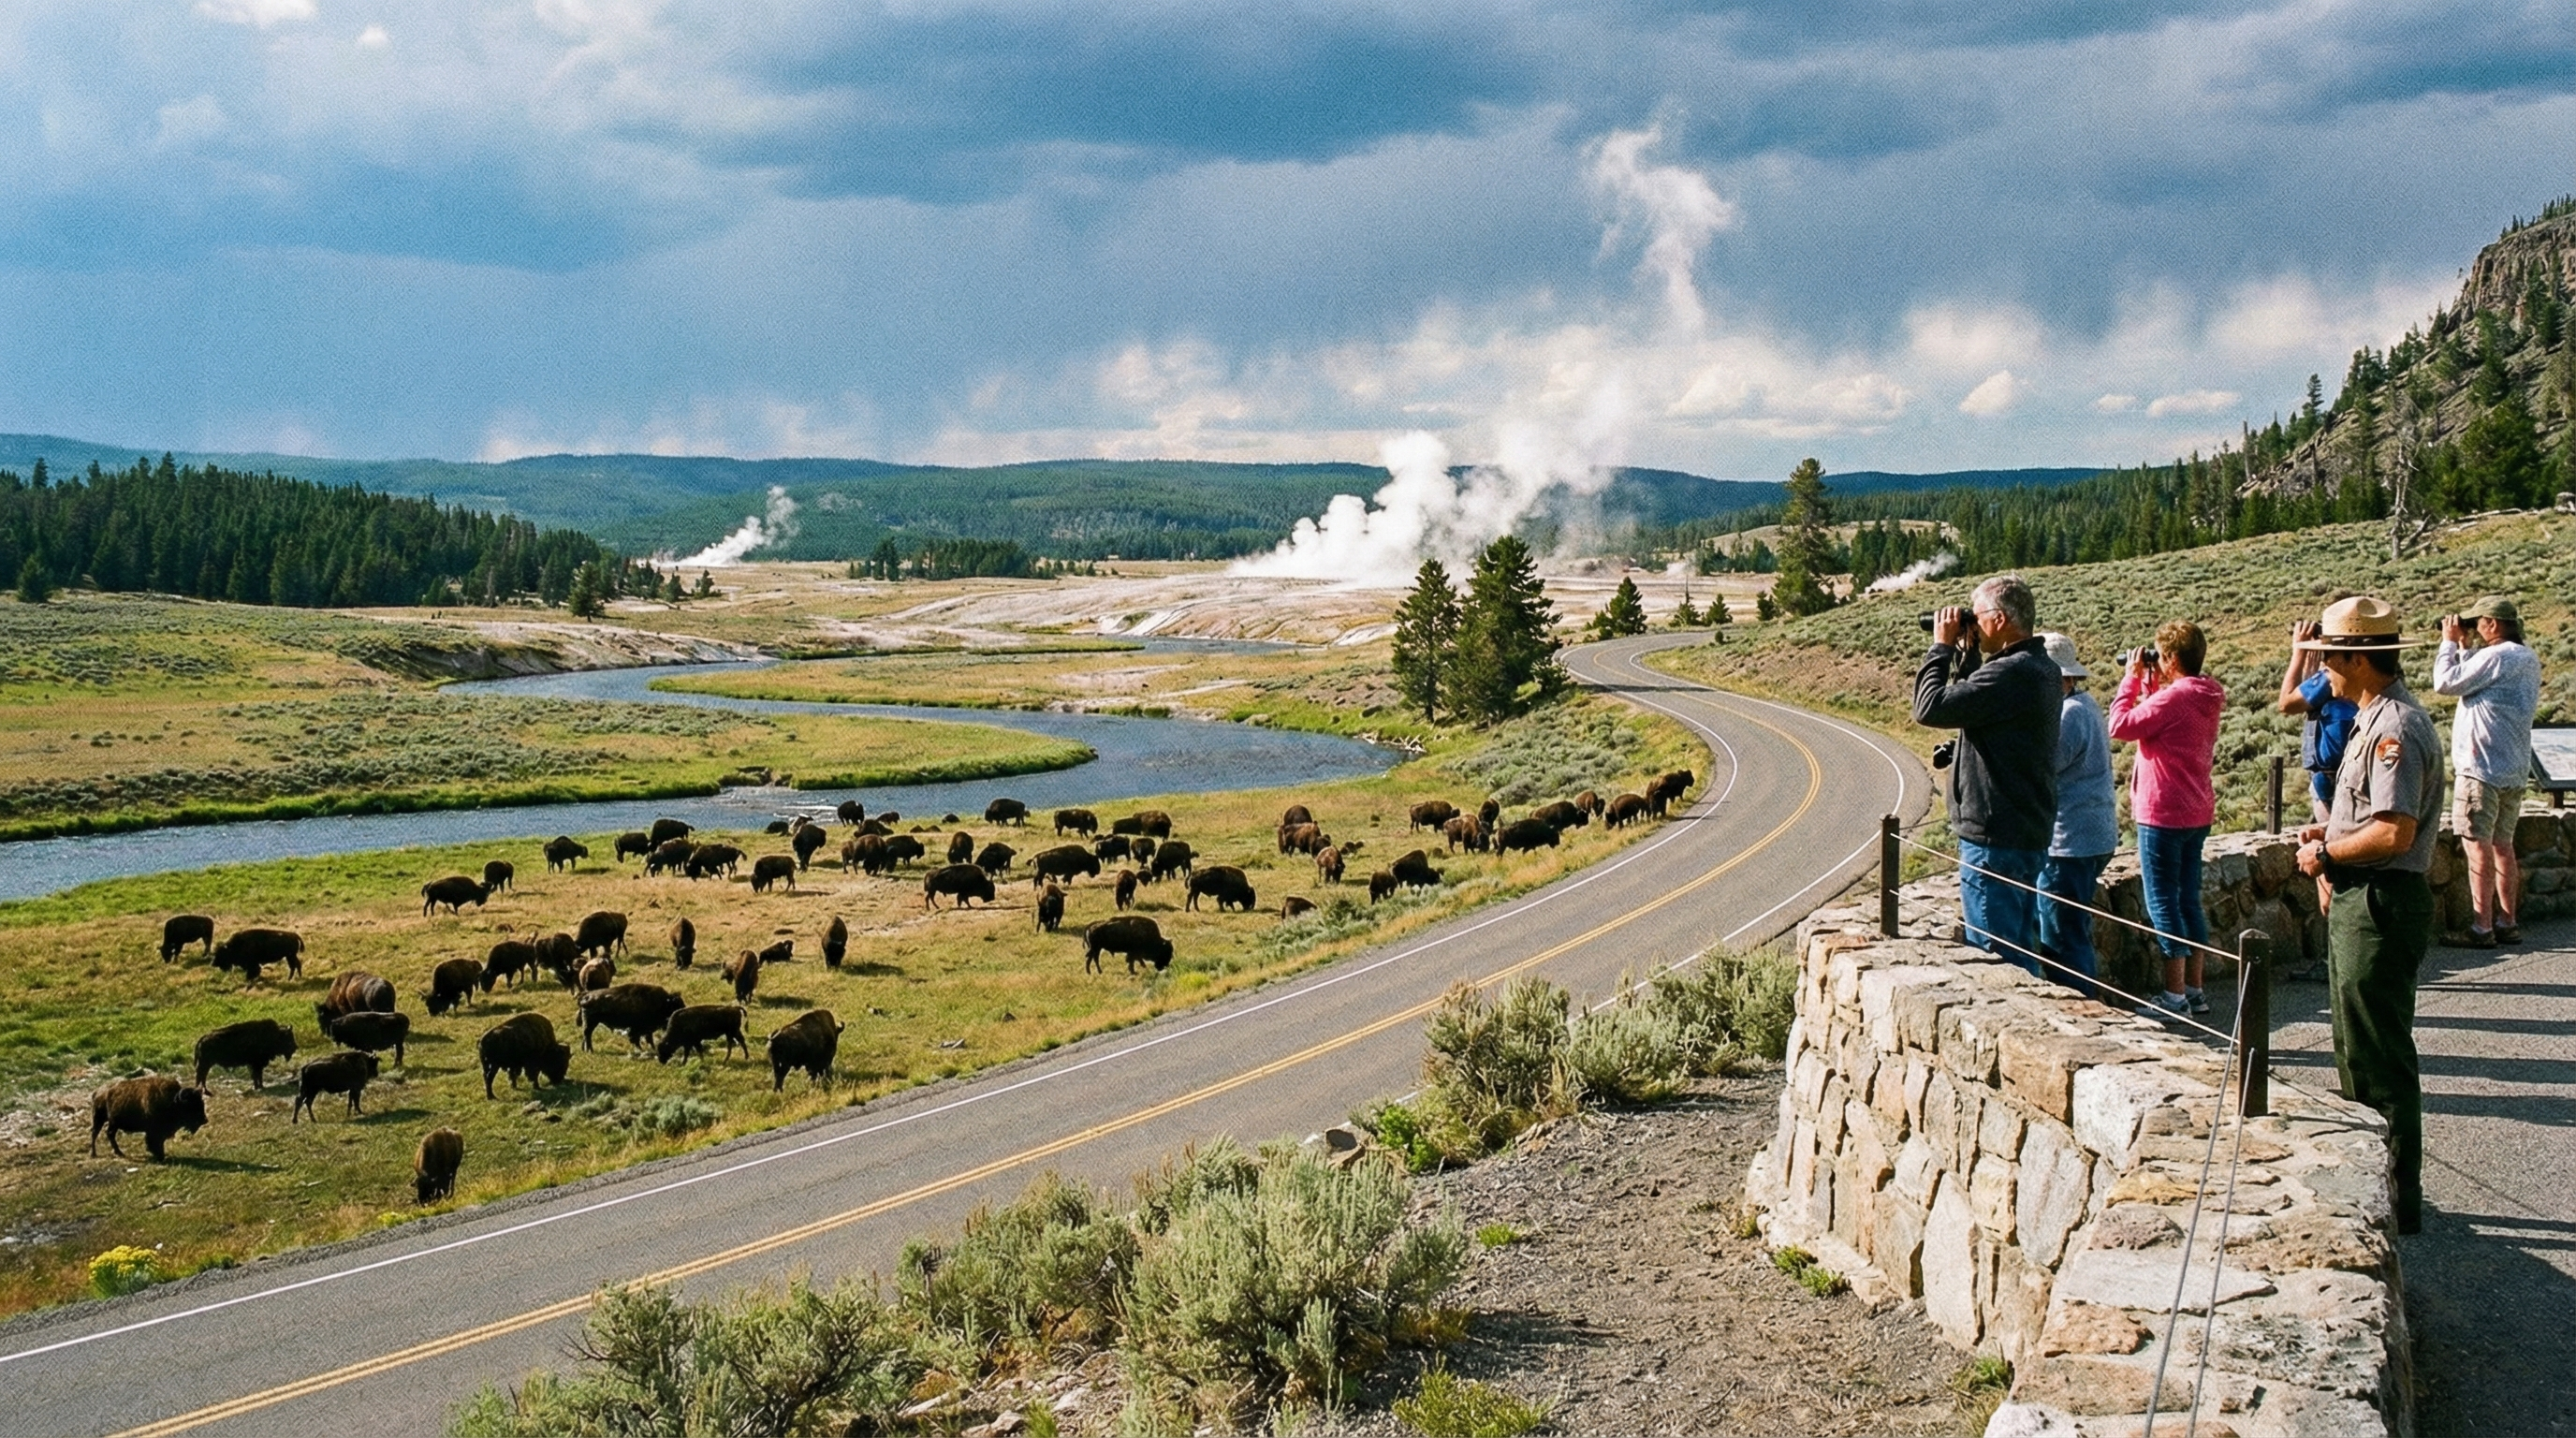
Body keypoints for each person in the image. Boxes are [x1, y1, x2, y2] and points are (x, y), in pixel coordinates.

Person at [2292, 595, 2441, 1234]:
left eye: (2327, 655)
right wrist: (2330, 842)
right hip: (2362, 897)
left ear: (2357, 657)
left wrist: (2328, 850)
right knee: (2356, 1048)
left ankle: (2395, 1202)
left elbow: (2392, 835)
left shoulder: (2394, 729)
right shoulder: (2369, 718)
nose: (2320, 666)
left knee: (2377, 1058)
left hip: (2380, 902)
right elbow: (2366, 821)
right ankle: (2375, 1190)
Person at [1913, 575, 2060, 967]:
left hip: (1996, 840)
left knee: (2000, 960)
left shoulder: (2012, 673)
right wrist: (1968, 657)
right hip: (2021, 832)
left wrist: (1941, 647)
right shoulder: (2036, 667)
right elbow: (1970, 706)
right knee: (2020, 947)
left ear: (1998, 619)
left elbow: (1930, 708)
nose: (1972, 624)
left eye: (1975, 616)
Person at [2108, 620, 2226, 1019]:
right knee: (2189, 901)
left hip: (2162, 812)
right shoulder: (2206, 694)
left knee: (2162, 903)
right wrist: (2150, 685)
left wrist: (2130, 681)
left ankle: (2174, 997)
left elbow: (2121, 726)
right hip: (2196, 810)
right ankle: (2195, 990)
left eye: (2161, 654)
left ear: (2172, 658)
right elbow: (2160, 720)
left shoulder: (2174, 699)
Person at [2432, 595, 2540, 946]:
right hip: (2512, 766)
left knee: (2477, 846)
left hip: (2481, 766)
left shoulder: (2496, 656)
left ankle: (2481, 927)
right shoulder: (2525, 657)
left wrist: (2449, 643)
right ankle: (2507, 921)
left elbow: (2446, 683)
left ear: (2493, 624)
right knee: (2503, 846)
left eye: (2479, 623)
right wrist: (2466, 650)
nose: (2475, 628)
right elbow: (2478, 684)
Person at [2038, 632, 2116, 995]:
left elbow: (2045, 766)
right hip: (2092, 834)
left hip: (2069, 840)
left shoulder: (2069, 714)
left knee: (2063, 933)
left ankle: (2081, 1002)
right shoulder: (2086, 706)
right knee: (2073, 925)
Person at [2279, 618, 2360, 922]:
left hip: (2330, 784)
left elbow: (2286, 703)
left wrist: (2298, 651)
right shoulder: (2351, 677)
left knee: (2330, 868)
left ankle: (2331, 951)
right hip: (2347, 781)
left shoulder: (2329, 680)